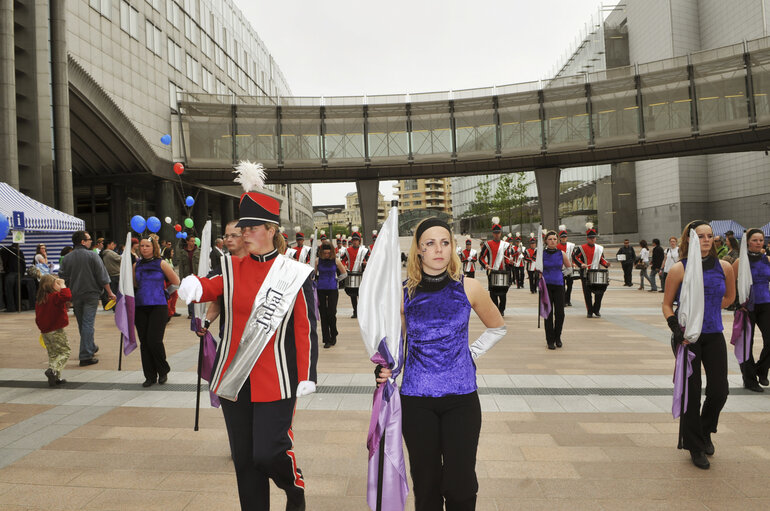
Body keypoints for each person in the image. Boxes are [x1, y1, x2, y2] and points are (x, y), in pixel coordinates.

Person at [178, 169, 318, 511]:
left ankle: (292, 484)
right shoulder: (231, 267)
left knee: (268, 451)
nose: (245, 234)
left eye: (252, 228)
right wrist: (194, 286)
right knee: (245, 461)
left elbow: (305, 328)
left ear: (272, 231)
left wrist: (307, 375)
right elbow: (211, 286)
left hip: (278, 378)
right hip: (235, 378)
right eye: (243, 228)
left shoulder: (293, 274)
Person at [375, 217, 506, 509]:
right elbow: (395, 343)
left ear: (452, 247)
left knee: (461, 487)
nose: (439, 249)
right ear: (418, 250)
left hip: (461, 399)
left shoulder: (469, 287)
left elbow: (497, 327)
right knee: (427, 487)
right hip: (416, 400)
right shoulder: (403, 291)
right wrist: (386, 368)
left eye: (445, 242)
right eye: (430, 243)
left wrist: (469, 354)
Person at [662, 220, 734, 469]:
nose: (706, 239)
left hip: (714, 334)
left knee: (719, 391)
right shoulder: (679, 269)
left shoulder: (724, 266)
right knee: (691, 393)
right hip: (687, 338)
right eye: (700, 236)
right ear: (690, 239)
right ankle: (695, 446)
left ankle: (705, 431)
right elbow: (666, 304)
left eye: (709, 236)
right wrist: (676, 328)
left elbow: (730, 297)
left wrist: (710, 310)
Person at [59, 231, 115, 365]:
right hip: (91, 293)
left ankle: (90, 346)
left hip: (75, 294)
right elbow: (102, 276)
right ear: (83, 242)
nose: (91, 242)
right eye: (89, 239)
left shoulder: (67, 258)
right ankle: (85, 355)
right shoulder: (92, 256)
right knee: (88, 323)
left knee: (82, 323)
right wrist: (110, 292)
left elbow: (62, 279)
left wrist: (65, 298)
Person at [134, 237, 179, 387]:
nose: (144, 248)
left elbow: (176, 281)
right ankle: (149, 375)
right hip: (140, 306)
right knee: (144, 343)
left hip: (158, 306)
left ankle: (163, 370)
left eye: (147, 246)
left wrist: (164, 292)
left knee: (154, 340)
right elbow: (134, 284)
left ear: (154, 248)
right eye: (142, 246)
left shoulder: (161, 263)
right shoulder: (136, 265)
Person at [196, 220, 247, 343]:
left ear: (246, 236)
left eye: (234, 235)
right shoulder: (224, 266)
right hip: (228, 334)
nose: (228, 239)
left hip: (254, 336)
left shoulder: (259, 263)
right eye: (226, 236)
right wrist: (205, 322)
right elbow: (218, 302)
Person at [732, 228, 770, 392]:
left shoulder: (766, 259)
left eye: (761, 240)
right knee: (747, 342)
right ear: (747, 241)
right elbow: (730, 283)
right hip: (747, 307)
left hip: (766, 303)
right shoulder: (740, 261)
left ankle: (761, 370)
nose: (759, 243)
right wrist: (737, 303)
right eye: (755, 240)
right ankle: (749, 380)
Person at [35, 274, 71, 386]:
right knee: (65, 351)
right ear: (51, 285)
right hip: (56, 330)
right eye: (57, 283)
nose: (59, 285)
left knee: (53, 354)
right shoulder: (54, 296)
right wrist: (63, 284)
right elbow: (67, 296)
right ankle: (53, 370)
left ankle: (55, 377)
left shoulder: (41, 299)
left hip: (45, 332)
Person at [573, 223, 610, 318]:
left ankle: (596, 309)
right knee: (587, 294)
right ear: (587, 238)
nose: (592, 239)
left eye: (594, 237)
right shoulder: (581, 248)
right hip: (585, 273)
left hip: (597, 273)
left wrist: (606, 264)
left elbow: (602, 259)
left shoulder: (599, 248)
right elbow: (575, 257)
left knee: (600, 292)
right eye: (590, 238)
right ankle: (589, 311)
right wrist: (581, 264)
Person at [542, 230, 572, 349]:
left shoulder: (561, 253)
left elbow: (569, 268)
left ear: (558, 241)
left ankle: (557, 336)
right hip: (546, 286)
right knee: (548, 314)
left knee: (560, 313)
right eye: (550, 239)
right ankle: (550, 340)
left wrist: (561, 274)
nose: (552, 241)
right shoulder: (541, 254)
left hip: (559, 285)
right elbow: (536, 268)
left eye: (554, 239)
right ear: (546, 241)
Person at [315, 242, 347, 348]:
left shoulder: (336, 260)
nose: (327, 255)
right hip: (321, 288)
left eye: (328, 253)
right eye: (325, 253)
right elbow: (313, 274)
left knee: (331, 313)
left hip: (333, 288)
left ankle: (334, 332)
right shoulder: (317, 261)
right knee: (323, 314)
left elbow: (344, 273)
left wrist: (337, 280)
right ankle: (327, 339)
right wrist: (315, 282)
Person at [478, 217, 511, 315]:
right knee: (493, 292)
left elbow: (508, 257)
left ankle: (501, 310)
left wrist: (510, 261)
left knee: (503, 292)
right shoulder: (488, 244)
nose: (497, 235)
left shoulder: (505, 245)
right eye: (495, 233)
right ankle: (495, 310)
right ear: (493, 233)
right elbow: (481, 258)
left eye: (498, 233)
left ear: (501, 233)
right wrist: (486, 265)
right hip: (492, 271)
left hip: (503, 271)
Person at [341, 227, 368, 318]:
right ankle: (355, 311)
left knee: (361, 294)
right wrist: (344, 265)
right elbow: (342, 260)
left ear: (359, 241)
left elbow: (369, 261)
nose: (355, 242)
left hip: (361, 274)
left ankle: (362, 312)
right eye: (354, 240)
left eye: (357, 240)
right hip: (351, 274)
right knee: (352, 295)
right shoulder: (347, 251)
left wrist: (365, 264)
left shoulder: (364, 251)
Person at [173, 235, 200, 318]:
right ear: (187, 242)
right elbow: (181, 266)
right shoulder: (183, 252)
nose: (193, 242)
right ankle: (191, 313)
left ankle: (196, 312)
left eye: (194, 241)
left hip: (196, 276)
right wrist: (181, 279)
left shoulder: (198, 251)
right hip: (187, 276)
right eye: (191, 241)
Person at [556, 226, 577, 305]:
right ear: (560, 238)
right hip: (560, 268)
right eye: (562, 237)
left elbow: (573, 256)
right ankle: (564, 300)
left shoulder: (571, 246)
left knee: (570, 285)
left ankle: (568, 300)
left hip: (569, 267)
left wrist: (574, 263)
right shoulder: (557, 247)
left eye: (565, 237)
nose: (564, 238)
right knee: (562, 285)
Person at [100, 239, 121, 308]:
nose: (114, 246)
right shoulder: (110, 253)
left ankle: (110, 305)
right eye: (112, 244)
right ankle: (114, 306)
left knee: (111, 291)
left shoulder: (104, 253)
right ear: (108, 245)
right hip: (115, 274)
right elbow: (121, 259)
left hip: (110, 274)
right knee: (115, 292)